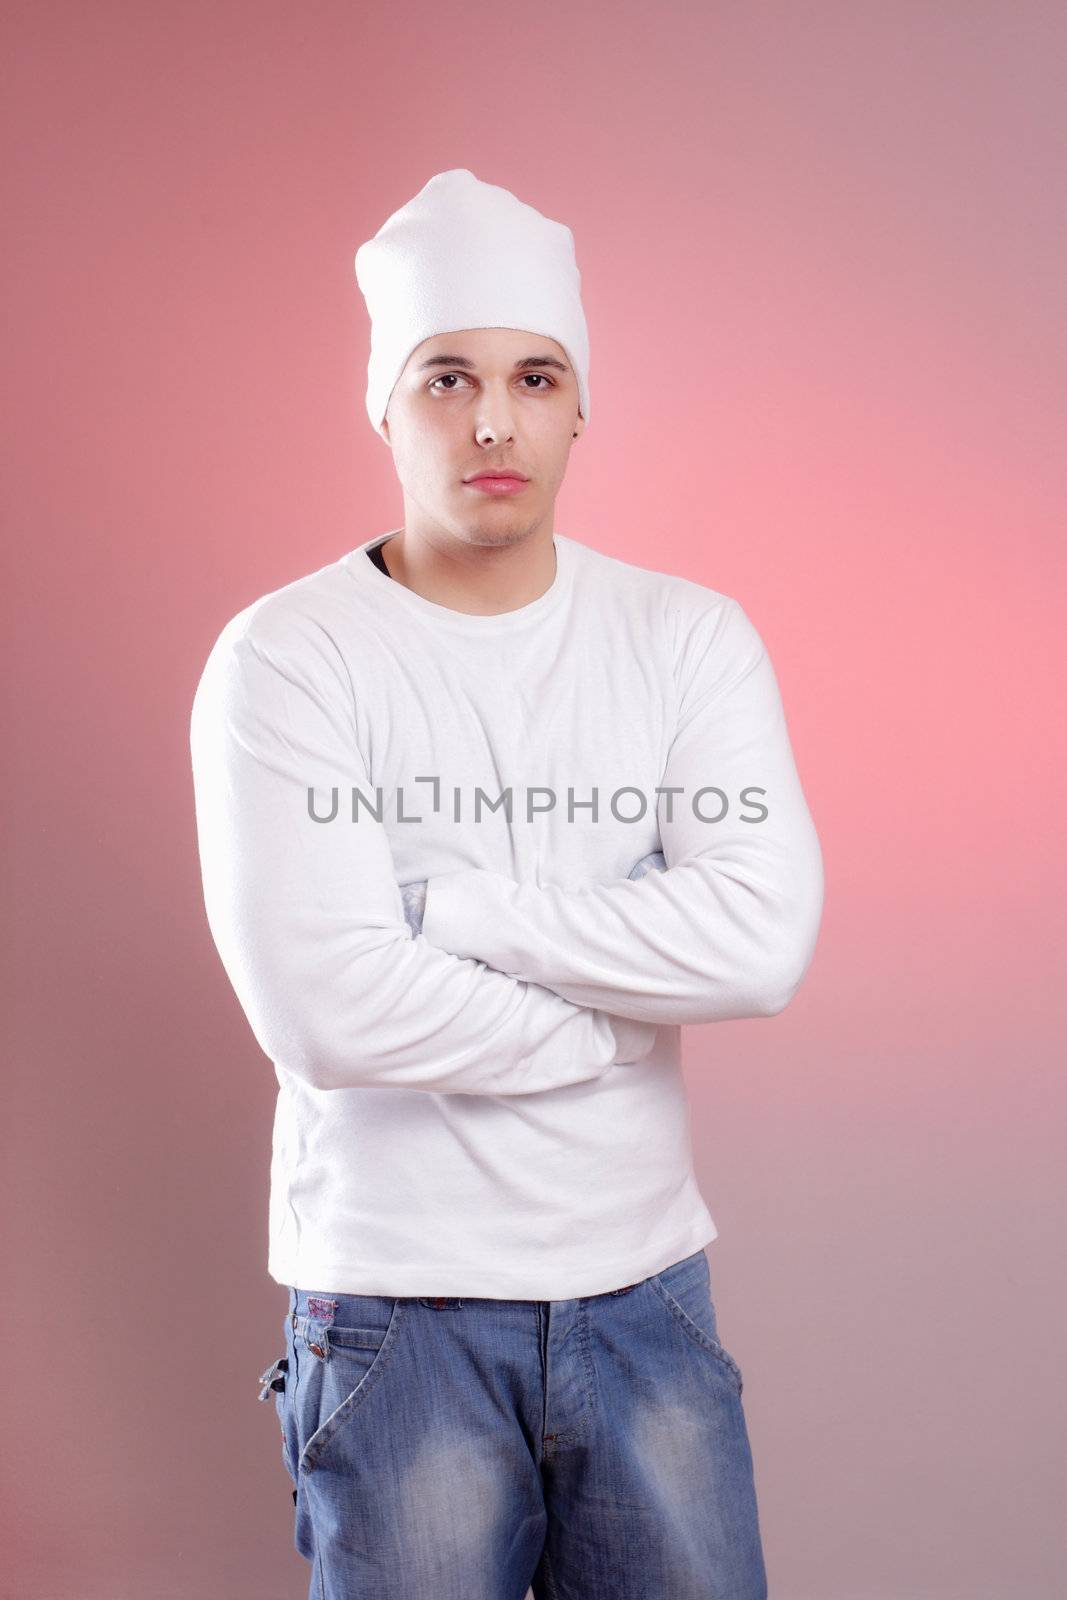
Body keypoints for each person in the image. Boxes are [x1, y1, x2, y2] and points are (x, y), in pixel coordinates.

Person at [191, 168, 824, 1600]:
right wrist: (614, 1017)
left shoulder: (685, 639)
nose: (493, 420)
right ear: (384, 402)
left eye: (535, 377)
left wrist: (467, 920)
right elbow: (330, 1011)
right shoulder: (291, 659)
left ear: (580, 403)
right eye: (446, 378)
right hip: (396, 1313)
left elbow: (760, 938)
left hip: (646, 1291)